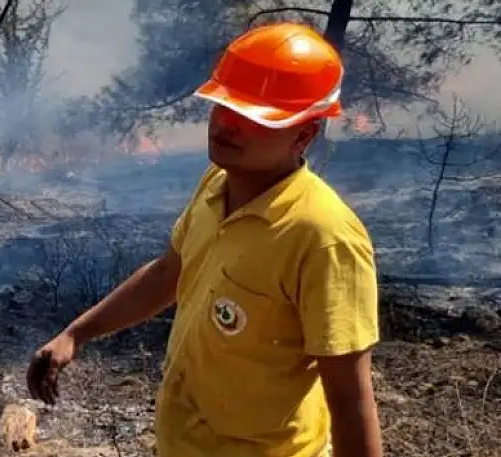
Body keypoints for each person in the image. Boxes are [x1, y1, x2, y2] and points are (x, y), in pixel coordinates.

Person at [27, 23, 382, 457]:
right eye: (224, 105)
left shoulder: (323, 237)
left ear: (304, 134)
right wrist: (77, 333)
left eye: (252, 117)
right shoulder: (218, 182)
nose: (226, 125)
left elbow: (350, 398)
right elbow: (168, 273)